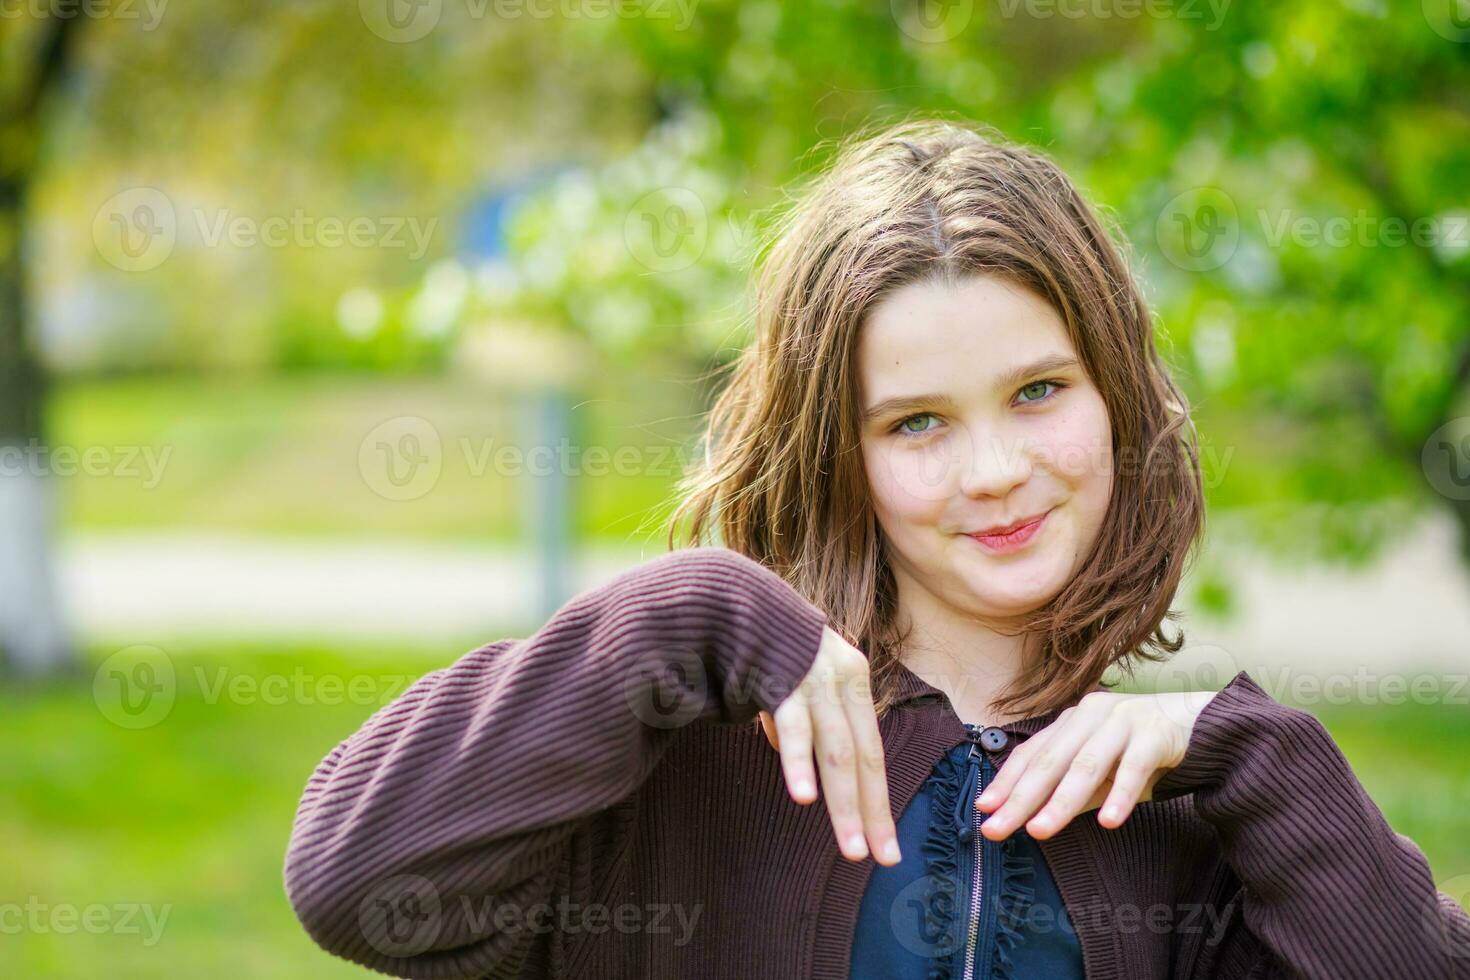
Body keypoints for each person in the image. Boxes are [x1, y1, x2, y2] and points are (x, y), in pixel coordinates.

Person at [283, 118, 1470, 979]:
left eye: (1039, 390)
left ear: (1115, 396)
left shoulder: (1180, 827)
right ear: (836, 450)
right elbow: (353, 882)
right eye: (918, 422)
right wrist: (686, 611)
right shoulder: (673, 769)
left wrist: (1252, 749)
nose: (995, 468)